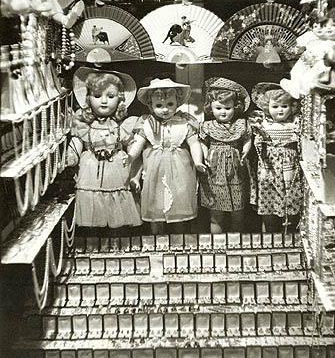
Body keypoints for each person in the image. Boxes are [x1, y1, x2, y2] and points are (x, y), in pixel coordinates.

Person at [67, 67, 142, 231]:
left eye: (110, 96)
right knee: (92, 204)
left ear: (120, 99)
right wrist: (72, 154)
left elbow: (131, 146)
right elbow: (78, 141)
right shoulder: (84, 126)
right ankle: (95, 240)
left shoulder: (123, 126)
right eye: (97, 96)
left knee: (118, 206)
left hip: (116, 170)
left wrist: (131, 156)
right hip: (90, 169)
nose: (103, 101)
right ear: (88, 98)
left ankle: (116, 240)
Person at [128, 78, 205, 235]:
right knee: (156, 203)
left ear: (177, 103)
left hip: (180, 168)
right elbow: (138, 143)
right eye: (159, 106)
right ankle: (157, 238)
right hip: (155, 168)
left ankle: (179, 238)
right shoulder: (146, 123)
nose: (165, 110)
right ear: (151, 105)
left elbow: (194, 143)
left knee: (180, 199)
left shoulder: (184, 122)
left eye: (170, 104)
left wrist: (198, 161)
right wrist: (130, 156)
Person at [198, 77, 252, 234]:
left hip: (235, 166)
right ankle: (217, 244)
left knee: (238, 211)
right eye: (218, 108)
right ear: (211, 108)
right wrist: (206, 153)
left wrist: (245, 150)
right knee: (215, 212)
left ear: (235, 107)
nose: (223, 112)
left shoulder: (241, 124)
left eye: (227, 108)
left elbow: (247, 138)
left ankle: (236, 242)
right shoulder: (207, 126)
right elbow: (202, 141)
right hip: (214, 169)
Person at [250, 83, 303, 233]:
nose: (280, 110)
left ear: (292, 107)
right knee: (269, 198)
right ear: (267, 107)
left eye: (284, 106)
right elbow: (257, 145)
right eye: (275, 106)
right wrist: (259, 142)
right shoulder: (262, 122)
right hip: (269, 166)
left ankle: (290, 231)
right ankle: (269, 235)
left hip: (289, 164)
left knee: (291, 196)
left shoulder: (295, 122)